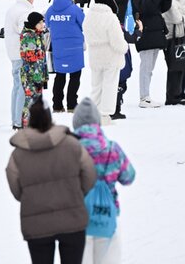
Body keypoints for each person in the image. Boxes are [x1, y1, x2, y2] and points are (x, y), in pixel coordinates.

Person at [6, 95, 96, 263]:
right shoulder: (72, 144)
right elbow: (89, 174)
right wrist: (76, 192)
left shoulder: (18, 154)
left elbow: (16, 188)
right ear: (49, 117)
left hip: (36, 224)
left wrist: (31, 198)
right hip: (72, 219)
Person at [72, 98, 136, 262]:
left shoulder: (69, 149)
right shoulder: (112, 148)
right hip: (106, 215)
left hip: (77, 218)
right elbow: (129, 177)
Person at [84, 0, 128, 124]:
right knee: (109, 85)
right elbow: (117, 42)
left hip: (95, 55)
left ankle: (93, 112)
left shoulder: (89, 16)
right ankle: (104, 115)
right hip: (110, 56)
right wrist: (124, 47)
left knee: (96, 85)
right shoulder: (110, 17)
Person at [130, 0, 172, 108]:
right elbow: (148, 7)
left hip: (155, 36)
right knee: (146, 68)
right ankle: (144, 97)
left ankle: (147, 96)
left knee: (149, 69)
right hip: (146, 36)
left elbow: (163, 7)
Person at [45, 0, 85, 113]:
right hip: (75, 48)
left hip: (58, 47)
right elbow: (84, 23)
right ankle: (72, 104)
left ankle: (57, 105)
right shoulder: (74, 9)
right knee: (75, 76)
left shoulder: (50, 10)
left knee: (60, 76)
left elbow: (47, 25)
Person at [5, 0, 37, 130]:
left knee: (17, 86)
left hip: (14, 52)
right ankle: (19, 120)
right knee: (23, 87)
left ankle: (15, 118)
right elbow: (25, 30)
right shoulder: (24, 12)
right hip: (21, 53)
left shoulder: (14, 9)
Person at [20, 12, 49, 126]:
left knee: (37, 100)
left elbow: (42, 59)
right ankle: (27, 124)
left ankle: (37, 123)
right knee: (30, 100)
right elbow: (30, 58)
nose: (42, 25)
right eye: (40, 23)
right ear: (33, 24)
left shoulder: (38, 34)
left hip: (38, 73)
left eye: (43, 22)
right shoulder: (28, 36)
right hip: (30, 75)